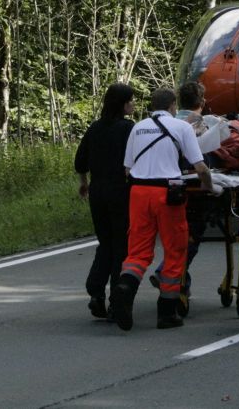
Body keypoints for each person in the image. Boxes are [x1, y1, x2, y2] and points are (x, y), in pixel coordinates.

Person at [114, 88, 213, 331]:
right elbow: (200, 167)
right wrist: (209, 186)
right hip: (168, 193)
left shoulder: (138, 127)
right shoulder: (182, 127)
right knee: (175, 249)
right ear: (173, 106)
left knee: (138, 251)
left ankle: (125, 288)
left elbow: (127, 168)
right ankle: (167, 312)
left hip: (138, 192)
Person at [74, 83, 135, 320]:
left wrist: (84, 183)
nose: (133, 104)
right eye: (130, 100)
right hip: (121, 191)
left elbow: (80, 161)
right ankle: (116, 299)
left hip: (97, 191)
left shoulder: (95, 128)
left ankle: (96, 291)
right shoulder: (128, 129)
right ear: (122, 104)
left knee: (105, 242)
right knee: (121, 245)